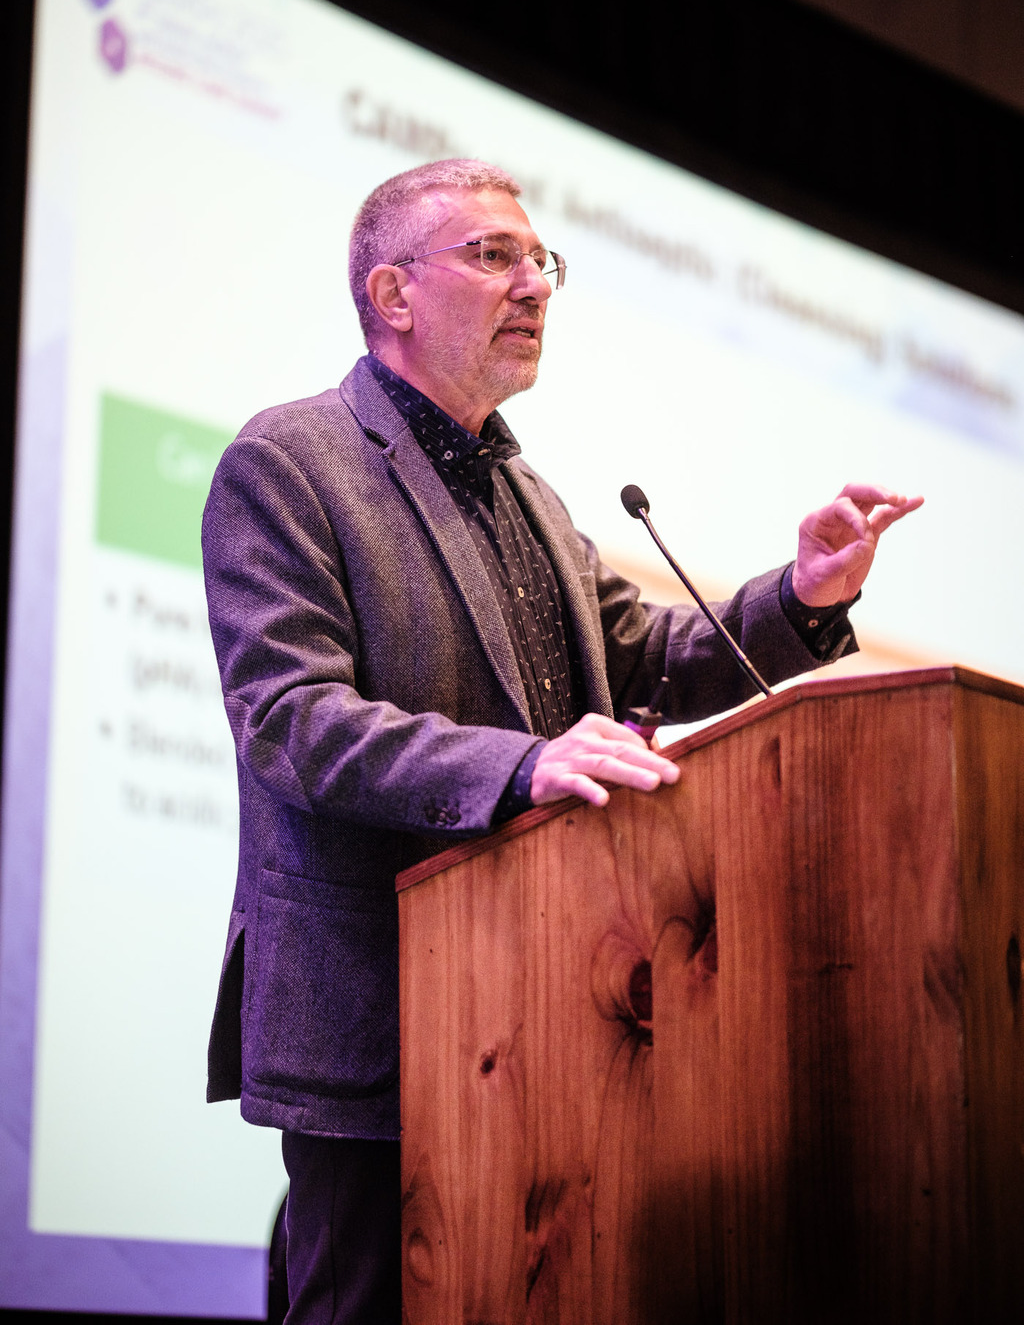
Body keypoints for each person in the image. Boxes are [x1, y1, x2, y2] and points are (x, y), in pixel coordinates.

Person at [202, 158, 922, 1325]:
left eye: (540, 259)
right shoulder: (291, 461)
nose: (532, 283)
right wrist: (522, 764)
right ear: (391, 293)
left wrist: (800, 595)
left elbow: (640, 653)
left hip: (545, 1008)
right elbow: (292, 720)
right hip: (382, 1015)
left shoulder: (527, 490)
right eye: (492, 255)